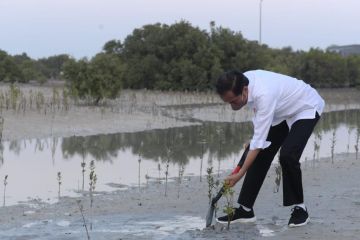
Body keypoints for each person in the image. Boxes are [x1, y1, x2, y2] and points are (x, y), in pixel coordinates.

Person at [215, 69, 325, 227]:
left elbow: (258, 142)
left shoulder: (264, 94)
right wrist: (254, 143)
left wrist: (239, 174)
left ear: (245, 90)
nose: (232, 106)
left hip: (305, 106)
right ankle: (245, 210)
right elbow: (258, 137)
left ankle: (300, 209)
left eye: (233, 101)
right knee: (259, 152)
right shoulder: (240, 81)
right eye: (228, 102)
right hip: (281, 111)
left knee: (288, 155)